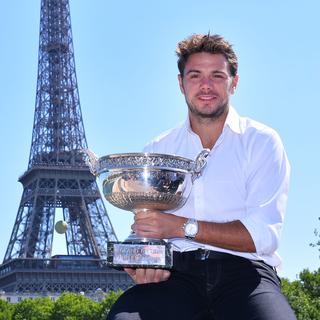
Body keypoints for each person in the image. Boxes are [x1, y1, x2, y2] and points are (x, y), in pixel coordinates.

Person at [107, 33, 296, 320]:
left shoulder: (262, 141)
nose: (206, 85)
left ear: (234, 82)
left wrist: (179, 226)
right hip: (176, 274)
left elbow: (262, 236)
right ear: (181, 83)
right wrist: (144, 262)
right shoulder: (158, 149)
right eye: (195, 75)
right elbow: (148, 230)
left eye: (217, 75)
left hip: (246, 274)